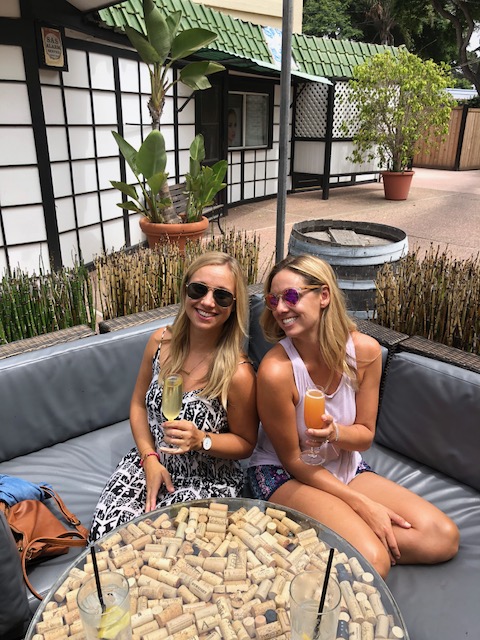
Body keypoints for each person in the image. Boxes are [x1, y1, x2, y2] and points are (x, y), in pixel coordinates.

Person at [247, 254, 459, 578]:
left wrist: (336, 433)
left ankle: (321, 541)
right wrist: (361, 504)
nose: (280, 308)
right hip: (287, 474)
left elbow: (364, 435)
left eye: (290, 296)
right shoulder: (276, 371)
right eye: (273, 300)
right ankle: (330, 543)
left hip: (345, 466)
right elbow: (294, 460)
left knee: (441, 538)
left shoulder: (365, 353)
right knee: (374, 561)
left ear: (323, 295)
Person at [90, 252, 258, 540]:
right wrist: (149, 458)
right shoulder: (160, 342)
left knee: (161, 553)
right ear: (185, 291)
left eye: (221, 296)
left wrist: (201, 440)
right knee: (105, 538)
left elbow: (246, 443)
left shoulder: (238, 373)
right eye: (198, 289)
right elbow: (138, 406)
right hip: (149, 462)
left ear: (233, 307)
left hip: (206, 480)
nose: (207, 302)